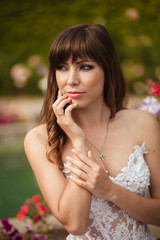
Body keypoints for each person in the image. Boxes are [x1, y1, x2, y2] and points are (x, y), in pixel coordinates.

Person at [24, 24, 160, 240]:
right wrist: (78, 141)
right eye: (62, 67)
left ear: (107, 69)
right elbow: (75, 224)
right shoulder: (41, 139)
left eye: (85, 67)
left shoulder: (143, 123)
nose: (71, 80)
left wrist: (111, 191)